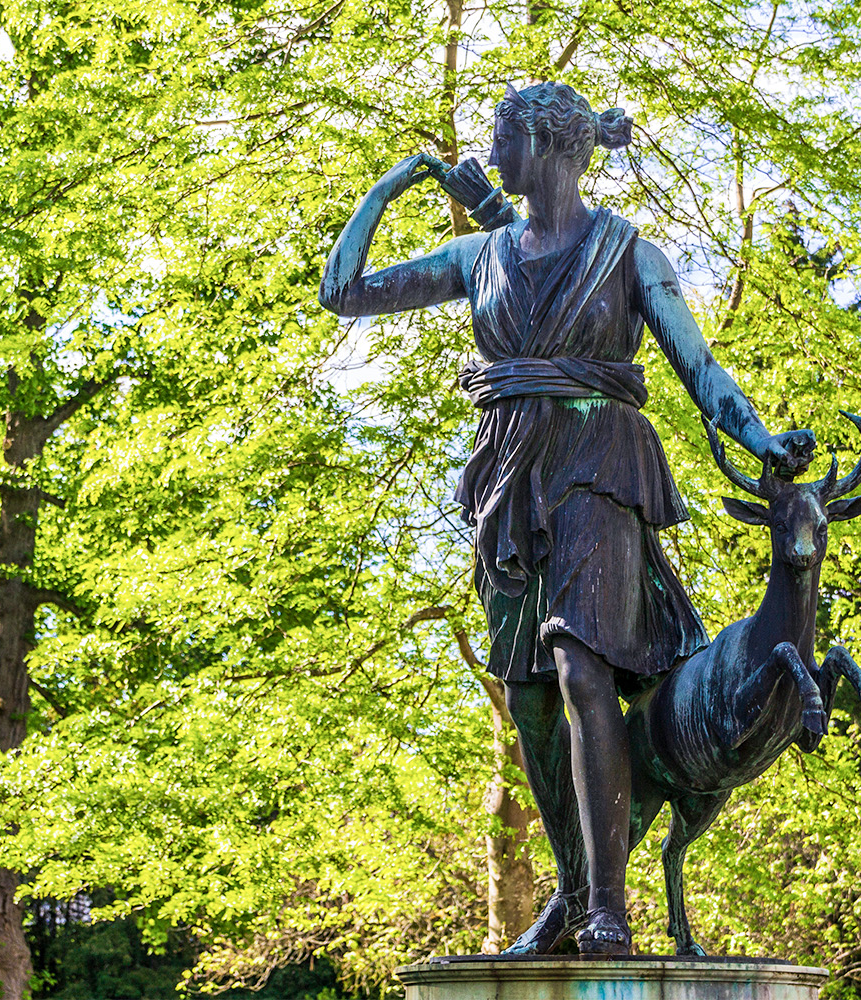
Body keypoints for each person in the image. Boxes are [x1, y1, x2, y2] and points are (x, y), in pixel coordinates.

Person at [318, 81, 815, 956]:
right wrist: (394, 183)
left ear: (545, 147)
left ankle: (610, 909)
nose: (492, 156)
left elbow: (700, 369)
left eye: (503, 139)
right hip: (509, 481)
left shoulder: (627, 252)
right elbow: (344, 291)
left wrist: (761, 436)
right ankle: (574, 895)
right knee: (532, 698)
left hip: (600, 466)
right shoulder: (482, 255)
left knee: (583, 668)